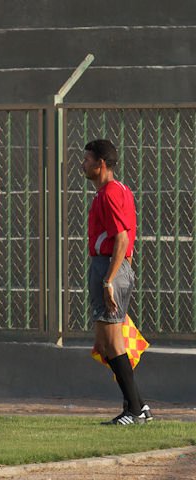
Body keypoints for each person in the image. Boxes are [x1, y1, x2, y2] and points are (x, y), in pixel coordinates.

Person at [82, 139, 151, 425]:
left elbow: (122, 238)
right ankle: (138, 404)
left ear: (101, 164)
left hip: (109, 267)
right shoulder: (111, 191)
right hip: (110, 267)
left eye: (87, 159)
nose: (82, 164)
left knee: (113, 343)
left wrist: (111, 279)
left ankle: (135, 410)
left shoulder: (110, 192)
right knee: (104, 343)